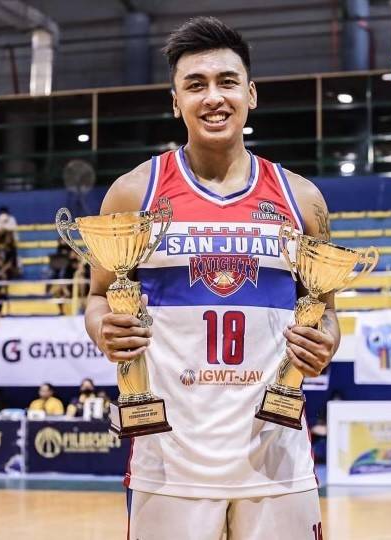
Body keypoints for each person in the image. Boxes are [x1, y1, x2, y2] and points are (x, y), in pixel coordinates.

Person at [84, 17, 340, 540]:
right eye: (195, 85)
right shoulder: (134, 192)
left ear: (251, 94)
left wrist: (325, 343)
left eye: (227, 82)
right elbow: (96, 298)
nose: (213, 97)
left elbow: (328, 312)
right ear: (176, 101)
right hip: (169, 460)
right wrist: (102, 329)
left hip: (276, 458)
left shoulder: (301, 199)